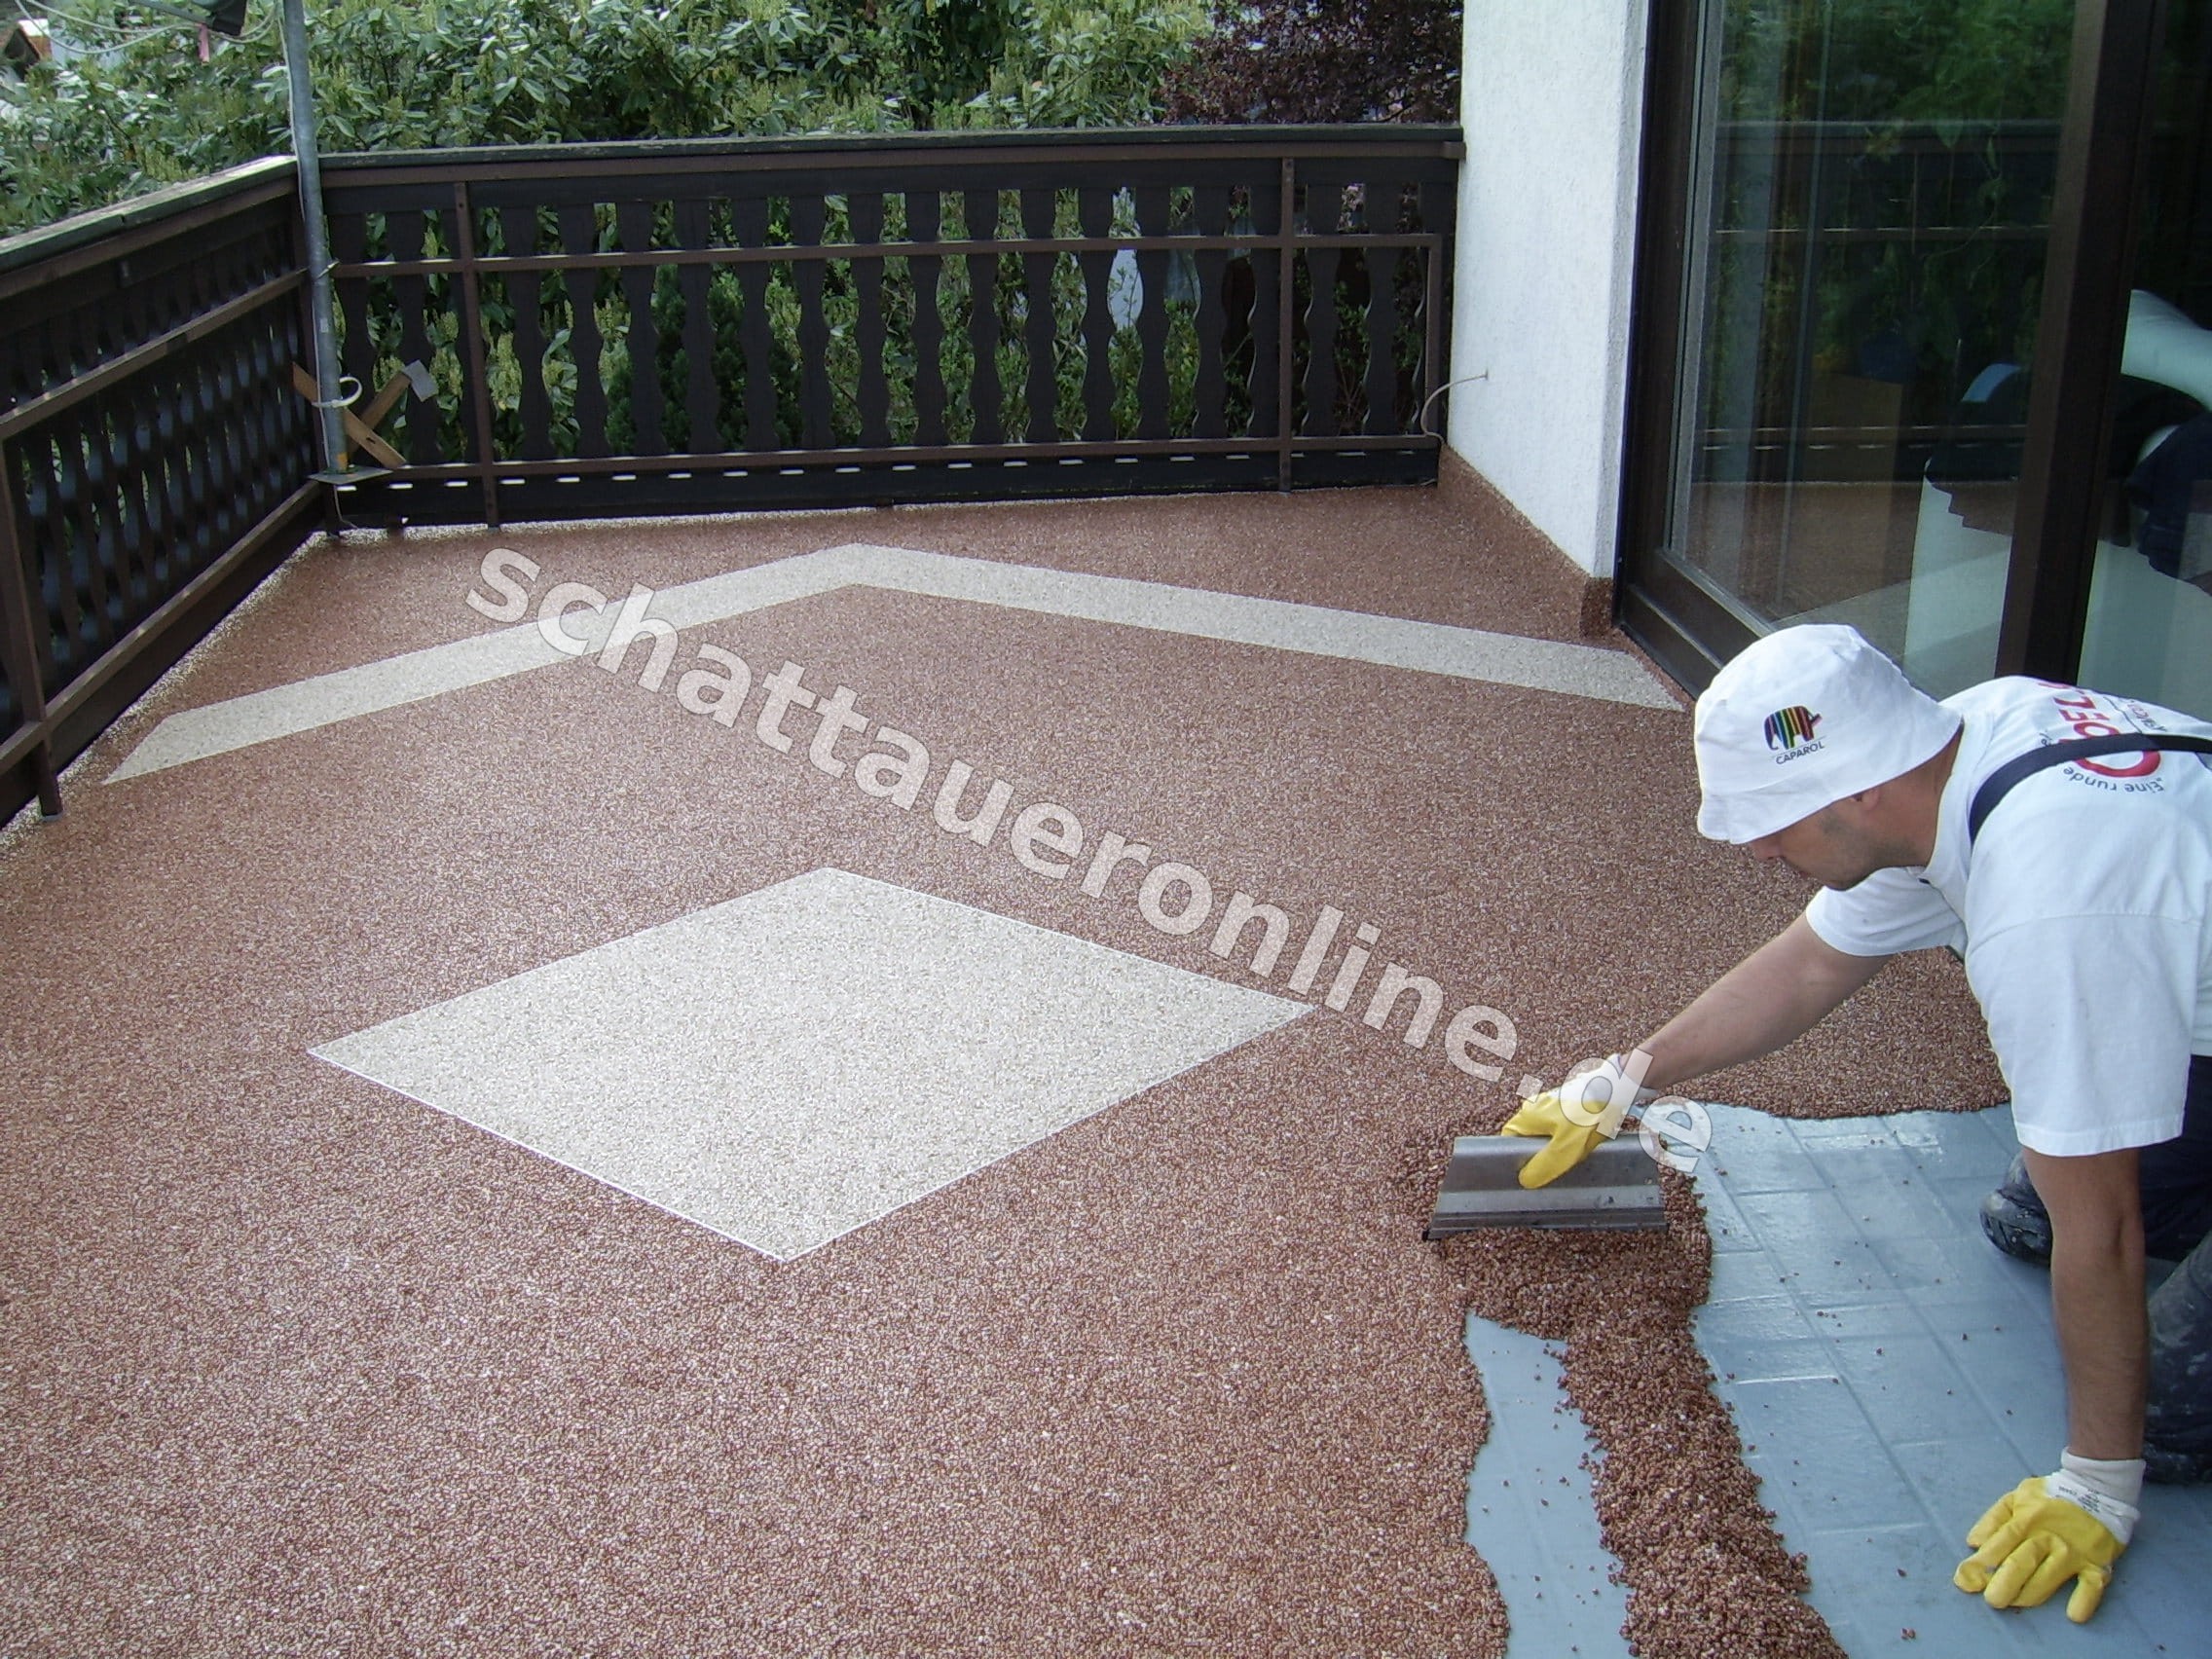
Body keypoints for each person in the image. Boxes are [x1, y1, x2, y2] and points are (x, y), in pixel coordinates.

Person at [1502, 623, 2212, 1626]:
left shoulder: (2048, 908)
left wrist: (2098, 1481)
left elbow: (2107, 1228)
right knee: (2029, 1221)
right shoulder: (1953, 755)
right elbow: (1807, 970)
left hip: (2114, 935)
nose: (1757, 850)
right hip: (2172, 973)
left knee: (2159, 1407)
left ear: (1860, 791)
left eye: (1771, 822)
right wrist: (1621, 1082)